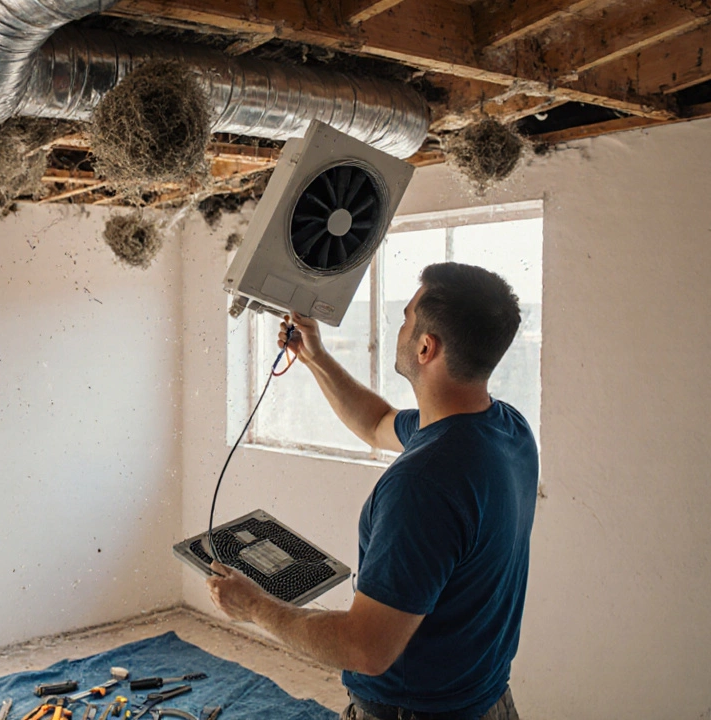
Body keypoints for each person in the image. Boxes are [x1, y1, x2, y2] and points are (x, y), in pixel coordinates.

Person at [206, 262, 537, 720]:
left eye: (405, 317)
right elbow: (378, 423)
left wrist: (256, 607)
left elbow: (366, 648)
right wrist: (316, 357)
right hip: (488, 702)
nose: (398, 328)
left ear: (426, 347)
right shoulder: (506, 428)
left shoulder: (422, 484)